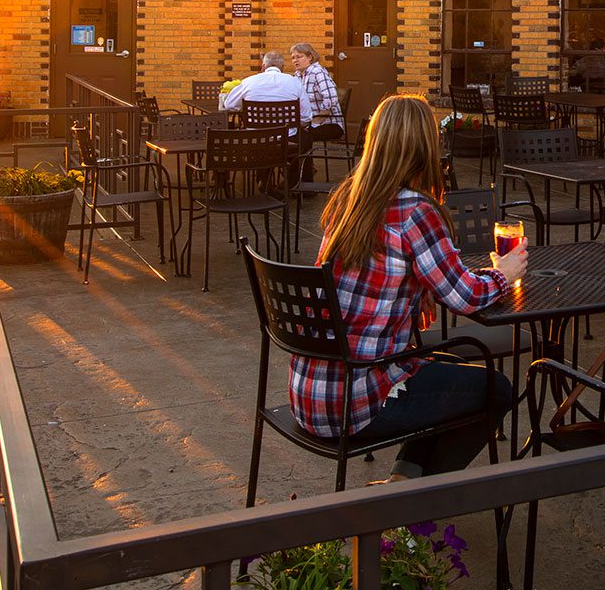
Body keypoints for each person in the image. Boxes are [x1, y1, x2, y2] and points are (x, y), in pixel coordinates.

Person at [289, 94, 528, 481]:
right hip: (358, 397)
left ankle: (403, 481)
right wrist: (505, 272)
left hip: (311, 392)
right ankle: (413, 504)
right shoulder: (416, 210)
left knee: (443, 372)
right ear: (425, 148)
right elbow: (465, 297)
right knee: (495, 387)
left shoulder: (350, 201)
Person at [219, 50, 313, 132]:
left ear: (263, 66)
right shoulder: (295, 82)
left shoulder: (248, 82)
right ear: (282, 67)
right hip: (288, 140)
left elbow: (230, 105)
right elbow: (306, 116)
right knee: (306, 137)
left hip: (255, 140)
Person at [287, 42, 345, 144]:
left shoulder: (317, 72)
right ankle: (301, 160)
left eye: (299, 57)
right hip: (306, 123)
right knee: (286, 133)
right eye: (293, 58)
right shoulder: (297, 75)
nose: (295, 60)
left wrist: (315, 122)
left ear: (310, 57)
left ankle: (304, 160)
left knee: (295, 137)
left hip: (328, 124)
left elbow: (331, 98)